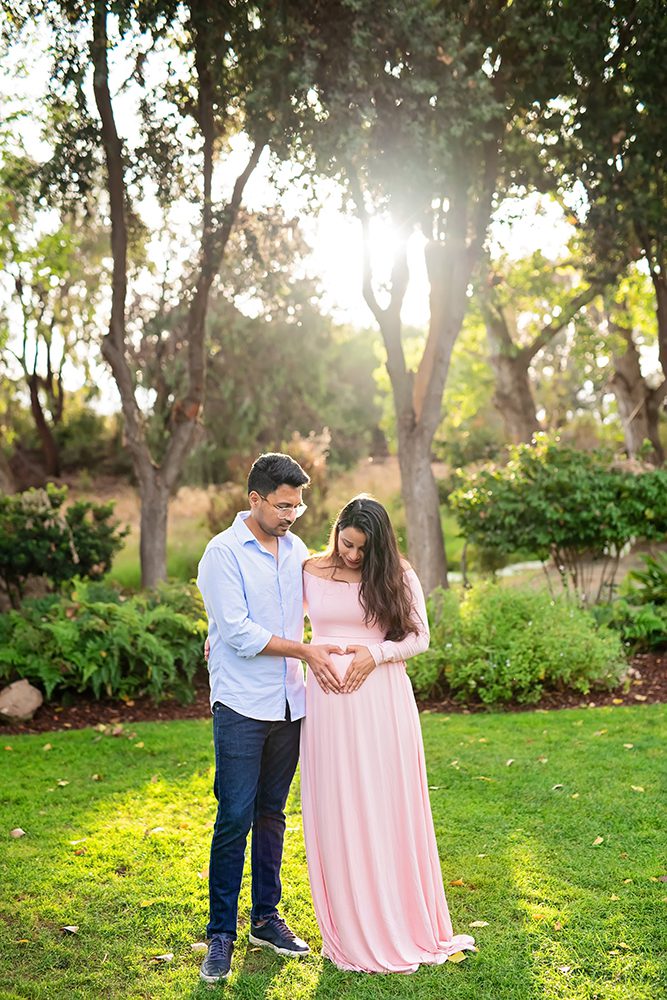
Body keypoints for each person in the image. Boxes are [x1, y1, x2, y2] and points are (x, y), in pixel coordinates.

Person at [300, 495, 476, 973]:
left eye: (362, 549)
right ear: (336, 530)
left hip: (381, 705)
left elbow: (419, 638)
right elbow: (278, 621)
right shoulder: (308, 569)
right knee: (337, 810)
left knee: (384, 807)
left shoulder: (396, 573)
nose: (352, 555)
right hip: (326, 711)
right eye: (347, 543)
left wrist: (372, 656)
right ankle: (349, 928)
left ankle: (396, 921)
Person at [196, 452, 343, 983]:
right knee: (234, 814)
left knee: (272, 814)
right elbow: (237, 632)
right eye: (283, 505)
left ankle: (265, 918)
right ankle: (220, 934)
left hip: (289, 704)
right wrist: (306, 652)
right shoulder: (222, 554)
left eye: (298, 506)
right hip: (240, 704)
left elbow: (310, 604)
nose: (292, 514)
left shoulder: (296, 547)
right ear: (254, 499)